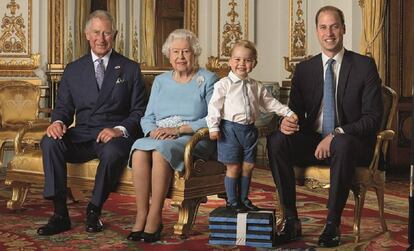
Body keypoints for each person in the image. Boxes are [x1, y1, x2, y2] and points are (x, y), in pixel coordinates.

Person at [267, 6, 383, 247]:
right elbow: (295, 113)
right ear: (317, 32)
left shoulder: (364, 66)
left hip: (351, 144)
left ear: (343, 29)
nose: (329, 32)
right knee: (276, 139)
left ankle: (332, 223)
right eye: (323, 27)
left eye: (334, 26)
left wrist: (337, 132)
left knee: (341, 142)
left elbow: (372, 118)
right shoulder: (304, 69)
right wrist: (286, 122)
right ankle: (290, 220)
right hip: (314, 142)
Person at [37, 10, 146, 236]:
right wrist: (57, 122)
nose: (101, 38)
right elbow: (64, 108)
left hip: (113, 135)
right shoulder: (74, 69)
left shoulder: (130, 68)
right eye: (96, 32)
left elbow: (139, 112)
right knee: (50, 142)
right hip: (83, 133)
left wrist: (119, 129)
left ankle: (94, 210)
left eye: (106, 33)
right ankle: (60, 214)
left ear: (114, 35)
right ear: (87, 34)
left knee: (114, 151)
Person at [127, 29, 219, 243]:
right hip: (160, 135)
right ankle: (141, 213)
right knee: (140, 149)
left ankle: (155, 215)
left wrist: (179, 130)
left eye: (185, 51)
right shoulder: (160, 81)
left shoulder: (208, 79)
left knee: (161, 152)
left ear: (194, 53)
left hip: (193, 138)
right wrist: (152, 131)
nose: (180, 57)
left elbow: (213, 118)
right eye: (175, 51)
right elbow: (147, 117)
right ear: (169, 54)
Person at [206, 40, 297, 212]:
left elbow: (271, 103)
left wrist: (287, 113)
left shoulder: (256, 86)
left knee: (248, 166)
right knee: (233, 166)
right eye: (238, 59)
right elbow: (214, 106)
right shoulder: (223, 84)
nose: (242, 64)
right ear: (230, 62)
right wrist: (213, 127)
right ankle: (232, 201)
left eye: (247, 60)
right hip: (229, 130)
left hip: (249, 130)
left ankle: (244, 199)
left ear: (254, 64)